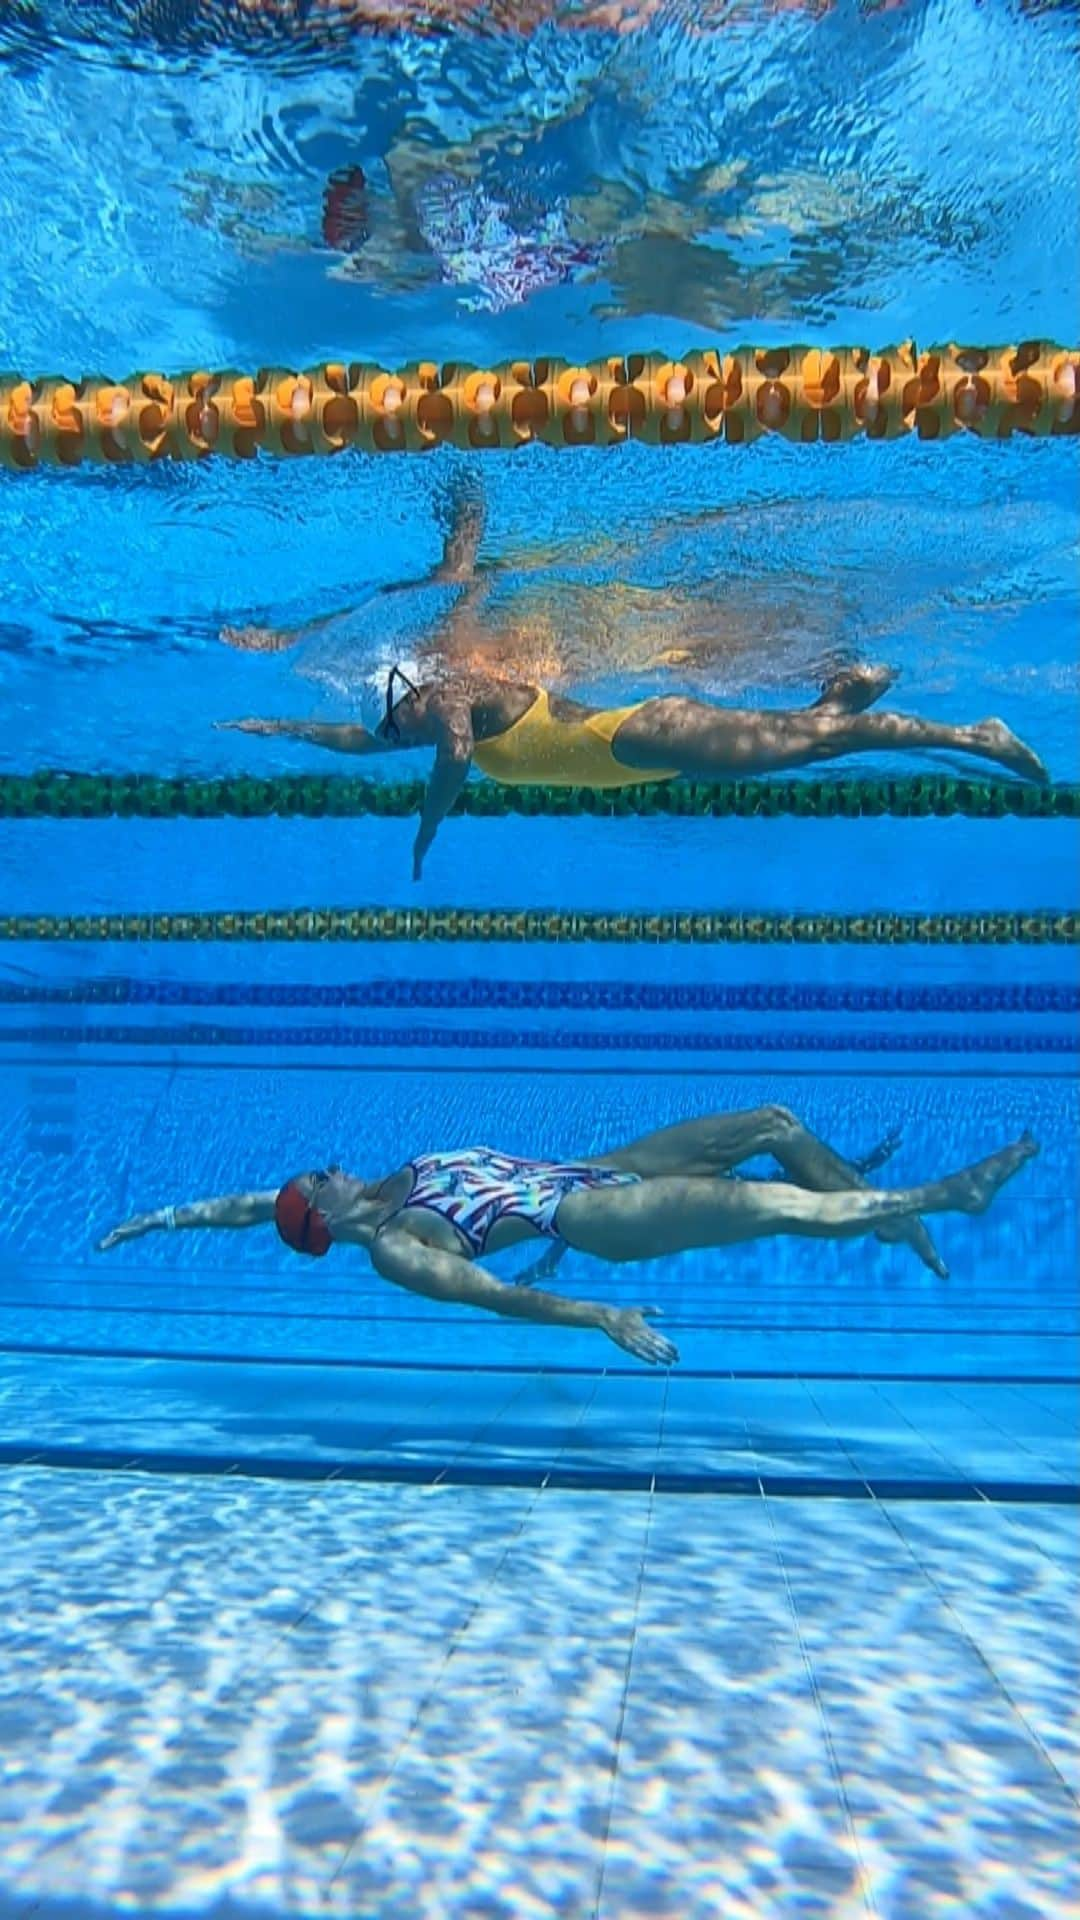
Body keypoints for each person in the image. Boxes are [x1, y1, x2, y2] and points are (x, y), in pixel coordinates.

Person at [218, 490, 1049, 879]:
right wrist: (279, 730)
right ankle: (839, 696)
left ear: (408, 691)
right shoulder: (408, 719)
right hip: (639, 752)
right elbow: (354, 742)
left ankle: (972, 735)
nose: (392, 740)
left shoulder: (446, 701)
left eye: (393, 725)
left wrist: (426, 832)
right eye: (390, 734)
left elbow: (458, 754)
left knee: (809, 749)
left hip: (645, 732)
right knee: (803, 739)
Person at [97, 1106, 1037, 1367]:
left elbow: (242, 1205)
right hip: (584, 1218)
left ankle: (894, 1218)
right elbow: (500, 1297)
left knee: (775, 1126)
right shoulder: (394, 1247)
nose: (329, 1166)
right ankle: (949, 1198)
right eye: (321, 1178)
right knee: (764, 1203)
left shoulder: (365, 1188)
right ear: (327, 1217)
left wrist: (160, 1218)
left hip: (597, 1166)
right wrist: (599, 1315)